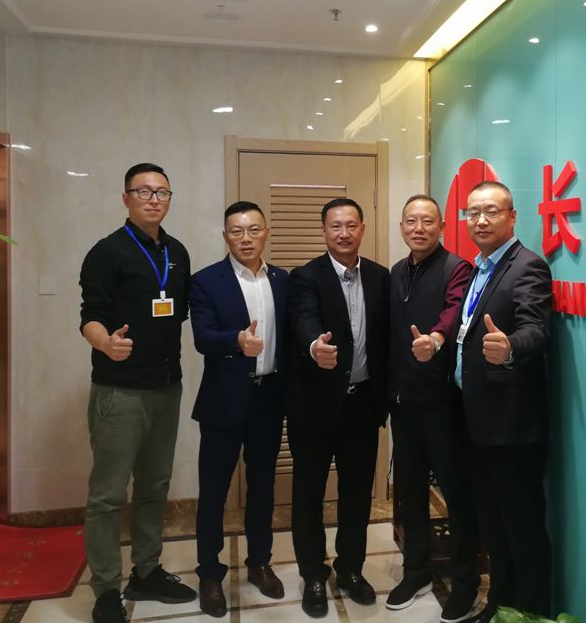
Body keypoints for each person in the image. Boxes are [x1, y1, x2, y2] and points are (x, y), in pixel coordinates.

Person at [79, 163, 195, 623]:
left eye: (162, 192)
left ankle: (146, 571)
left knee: (154, 486)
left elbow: (177, 312)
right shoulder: (107, 252)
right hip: (119, 390)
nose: (153, 199)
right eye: (143, 191)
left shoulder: (177, 252)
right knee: (107, 496)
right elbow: (90, 316)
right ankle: (106, 589)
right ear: (125, 197)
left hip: (166, 386)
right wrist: (105, 342)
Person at [453, 180, 553, 621]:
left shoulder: (527, 266)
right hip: (478, 421)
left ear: (512, 217)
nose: (480, 220)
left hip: (512, 427)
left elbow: (537, 329)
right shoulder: (480, 268)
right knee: (494, 526)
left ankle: (529, 613)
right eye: (472, 212)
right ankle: (500, 605)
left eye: (491, 211)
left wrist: (510, 347)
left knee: (522, 530)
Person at [287, 197, 390, 618]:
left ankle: (350, 568)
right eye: (335, 226)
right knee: (308, 494)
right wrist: (315, 346)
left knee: (357, 494)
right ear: (324, 231)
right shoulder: (305, 276)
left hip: (362, 405)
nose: (343, 233)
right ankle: (314, 573)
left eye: (351, 225)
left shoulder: (381, 277)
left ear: (362, 228)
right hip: (314, 407)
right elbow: (303, 320)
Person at [189, 201, 288, 617]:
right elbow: (202, 337)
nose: (246, 239)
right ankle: (210, 573)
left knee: (263, 486)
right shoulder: (205, 281)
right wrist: (236, 340)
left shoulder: (283, 280)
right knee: (213, 491)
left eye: (253, 230)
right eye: (237, 231)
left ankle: (259, 561)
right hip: (223, 400)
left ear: (266, 233)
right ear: (225, 236)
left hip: (269, 398)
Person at [387, 195, 481, 622]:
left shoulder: (457, 269)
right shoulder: (397, 271)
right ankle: (416, 572)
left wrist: (437, 339)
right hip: (403, 402)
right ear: (401, 227)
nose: (419, 228)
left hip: (443, 403)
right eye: (411, 221)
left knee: (456, 494)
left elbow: (454, 311)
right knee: (409, 491)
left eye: (428, 221)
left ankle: (464, 583)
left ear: (442, 226)